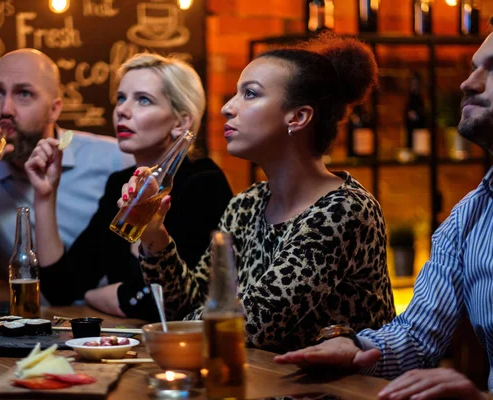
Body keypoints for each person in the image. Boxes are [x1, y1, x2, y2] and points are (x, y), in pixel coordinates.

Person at [274, 9, 493, 400]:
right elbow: (417, 336)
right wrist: (356, 349)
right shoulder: (469, 217)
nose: (469, 83)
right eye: (474, 67)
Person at [120, 33, 396, 353]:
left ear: (298, 117)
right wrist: (154, 234)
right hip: (263, 383)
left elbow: (255, 323)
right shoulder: (246, 205)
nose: (226, 108)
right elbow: (189, 302)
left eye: (250, 94)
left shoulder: (344, 211)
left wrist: (177, 323)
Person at [24, 54, 233, 320]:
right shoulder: (119, 184)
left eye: (143, 100)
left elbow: (161, 303)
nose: (122, 109)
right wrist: (45, 195)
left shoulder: (203, 183)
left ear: (181, 122)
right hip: (130, 347)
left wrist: (99, 295)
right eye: (121, 98)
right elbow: (62, 287)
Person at [0, 49, 134, 285]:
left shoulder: (114, 159)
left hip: (110, 316)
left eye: (24, 94)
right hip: (38, 317)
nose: (5, 109)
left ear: (54, 109)